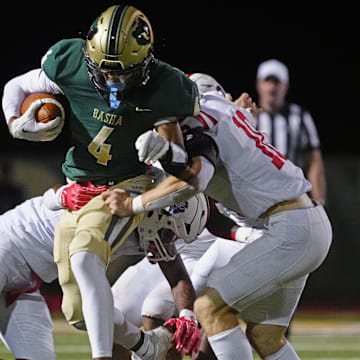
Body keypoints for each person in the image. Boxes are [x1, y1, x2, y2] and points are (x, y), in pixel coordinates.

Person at [2, 4, 200, 359]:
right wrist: (17, 124)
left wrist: (167, 151)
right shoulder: (70, 60)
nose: (111, 80)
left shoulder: (166, 86)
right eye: (103, 70)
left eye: (121, 72)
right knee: (79, 313)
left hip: (124, 185)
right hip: (75, 194)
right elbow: (17, 86)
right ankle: (145, 345)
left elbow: (183, 168)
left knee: (83, 258)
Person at [101, 74, 333, 359]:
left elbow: (192, 180)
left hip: (288, 228)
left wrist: (134, 205)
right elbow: (227, 114)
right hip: (301, 221)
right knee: (265, 336)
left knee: (210, 308)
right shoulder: (225, 112)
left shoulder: (201, 130)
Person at [0, 187, 209, 360]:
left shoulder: (151, 224)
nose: (167, 240)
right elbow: (60, 193)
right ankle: (146, 345)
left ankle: (146, 345)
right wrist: (62, 194)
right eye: (169, 232)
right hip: (7, 247)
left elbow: (178, 276)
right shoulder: (118, 201)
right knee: (86, 309)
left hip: (26, 287)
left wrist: (186, 315)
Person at [234, 59, 327, 205]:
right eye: (267, 81)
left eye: (276, 82)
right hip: (255, 197)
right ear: (259, 85)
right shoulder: (246, 116)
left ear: (285, 86)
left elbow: (314, 160)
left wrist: (319, 200)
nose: (272, 87)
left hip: (294, 196)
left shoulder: (300, 116)